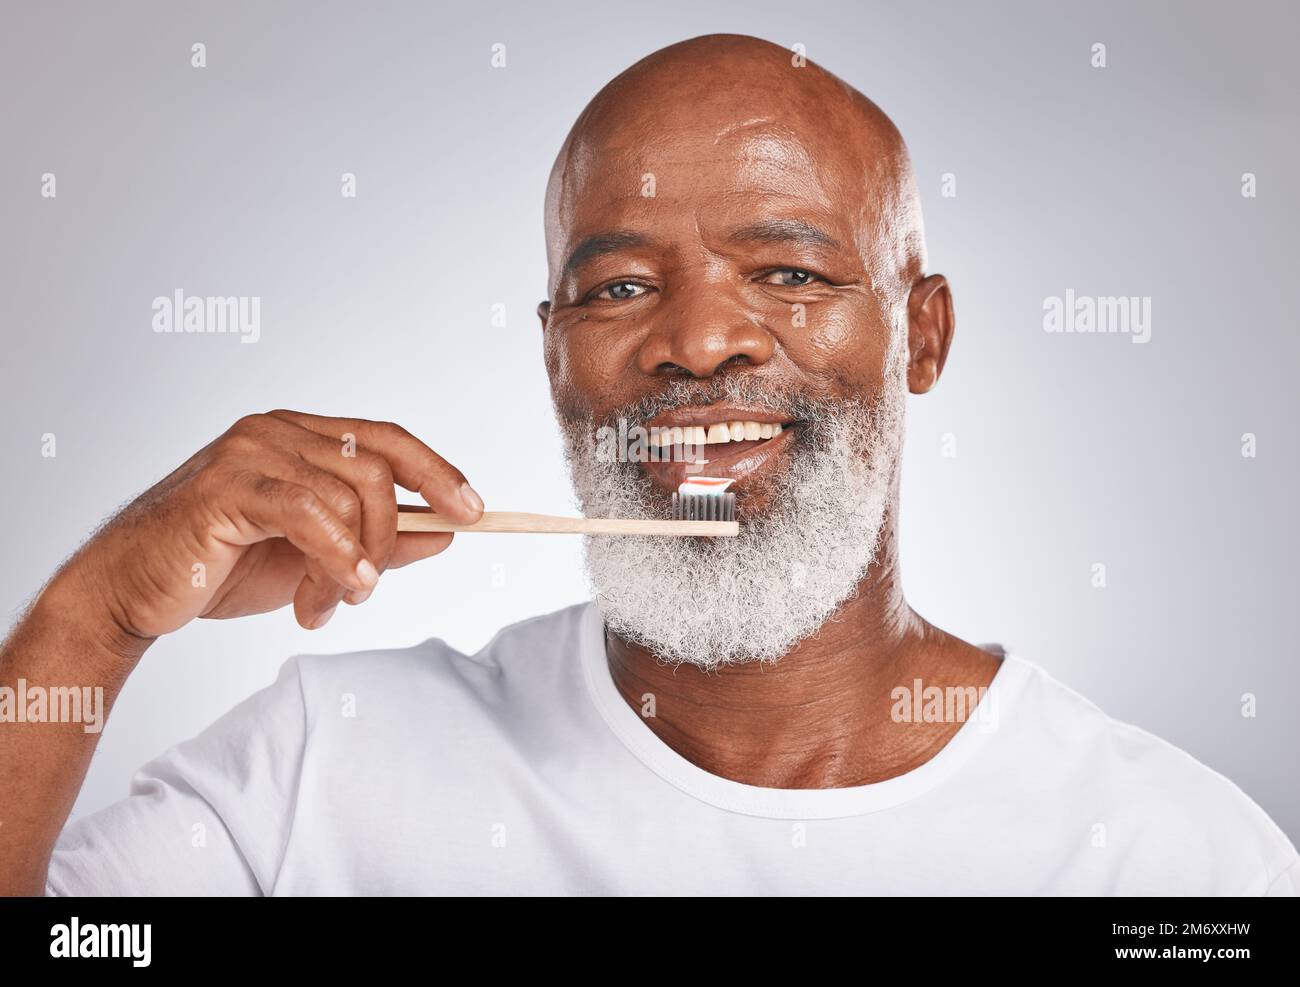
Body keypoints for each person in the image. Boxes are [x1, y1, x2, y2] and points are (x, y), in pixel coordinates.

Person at [2, 34, 1294, 896]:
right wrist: (90, 620)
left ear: (925, 334)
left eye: (787, 273)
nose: (697, 341)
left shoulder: (1165, 863)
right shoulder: (320, 769)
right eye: (619, 286)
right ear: (556, 354)